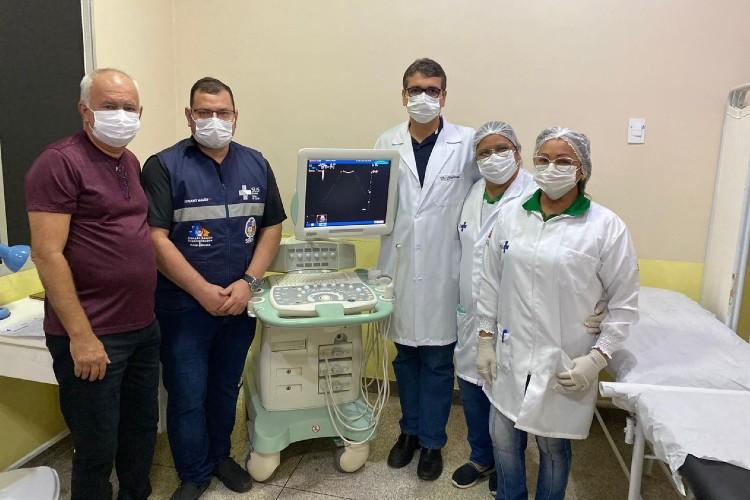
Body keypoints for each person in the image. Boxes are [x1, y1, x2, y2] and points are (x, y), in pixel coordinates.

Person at [140, 77, 285, 500]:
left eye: (223, 113)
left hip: (239, 302)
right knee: (187, 393)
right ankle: (193, 473)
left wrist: (248, 283)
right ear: (189, 116)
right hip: (183, 306)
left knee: (225, 387)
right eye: (204, 112)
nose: (214, 120)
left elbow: (272, 227)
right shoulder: (163, 166)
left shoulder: (256, 163)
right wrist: (202, 290)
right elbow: (155, 239)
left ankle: (221, 457)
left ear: (235, 116)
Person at [475, 127, 639, 500]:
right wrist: (485, 339)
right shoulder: (511, 215)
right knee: (502, 435)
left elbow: (625, 303)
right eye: (544, 160)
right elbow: (490, 281)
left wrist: (597, 358)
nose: (552, 168)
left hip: (564, 357)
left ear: (582, 169)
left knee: (551, 445)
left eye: (564, 161)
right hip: (511, 350)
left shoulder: (606, 227)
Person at [25, 68, 160, 500]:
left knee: (141, 433)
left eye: (129, 107)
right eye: (109, 106)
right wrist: (82, 338)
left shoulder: (129, 161)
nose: (121, 115)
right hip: (93, 334)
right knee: (97, 446)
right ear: (85, 111)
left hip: (142, 327)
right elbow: (47, 254)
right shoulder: (59, 162)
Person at [375, 58, 479, 481]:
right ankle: (409, 433)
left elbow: (493, 194)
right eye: (416, 90)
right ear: (403, 95)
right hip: (400, 266)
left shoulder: (467, 143)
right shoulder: (386, 142)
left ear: (444, 96)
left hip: (444, 269)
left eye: (432, 90)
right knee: (405, 357)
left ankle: (433, 441)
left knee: (437, 361)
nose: (424, 97)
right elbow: (375, 207)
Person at [451, 121, 533, 494]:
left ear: (518, 152)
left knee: (508, 397)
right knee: (472, 389)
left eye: (501, 149)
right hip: (471, 312)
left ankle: (508, 465)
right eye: (484, 152)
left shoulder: (533, 194)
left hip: (512, 316)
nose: (493, 158)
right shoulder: (473, 192)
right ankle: (481, 458)